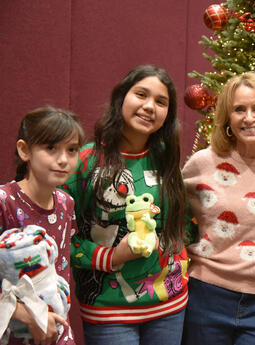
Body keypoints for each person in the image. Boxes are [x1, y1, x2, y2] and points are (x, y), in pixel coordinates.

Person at [60, 65, 188, 345]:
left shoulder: (166, 159)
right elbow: (59, 238)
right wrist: (112, 256)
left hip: (170, 304)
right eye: (141, 94)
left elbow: (182, 221)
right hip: (109, 309)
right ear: (121, 97)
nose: (149, 106)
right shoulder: (84, 162)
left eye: (161, 101)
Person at [182, 71, 255, 345]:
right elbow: (172, 214)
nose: (249, 117)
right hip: (206, 294)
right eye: (239, 109)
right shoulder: (202, 163)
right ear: (227, 118)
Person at [0, 106, 85, 345]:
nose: (63, 159)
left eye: (72, 150)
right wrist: (29, 315)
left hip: (57, 332)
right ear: (24, 150)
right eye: (51, 148)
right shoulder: (4, 201)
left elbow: (61, 270)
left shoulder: (66, 203)